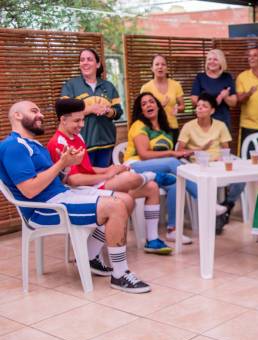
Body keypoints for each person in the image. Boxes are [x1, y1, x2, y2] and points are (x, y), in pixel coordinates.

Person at [0, 101, 150, 293]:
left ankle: (90, 256)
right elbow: (29, 190)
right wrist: (60, 163)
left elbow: (58, 178)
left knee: (125, 200)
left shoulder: (34, 144)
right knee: (116, 207)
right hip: (44, 209)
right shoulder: (13, 146)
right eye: (34, 111)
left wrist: (69, 164)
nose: (41, 115)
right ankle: (119, 274)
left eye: (40, 111)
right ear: (17, 116)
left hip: (62, 195)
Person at [47, 98, 173, 255]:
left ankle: (152, 240)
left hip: (92, 183)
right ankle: (152, 175)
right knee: (129, 180)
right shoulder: (58, 143)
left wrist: (110, 169)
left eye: (83, 119)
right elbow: (73, 179)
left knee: (151, 188)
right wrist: (107, 174)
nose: (82, 125)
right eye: (77, 121)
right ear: (63, 120)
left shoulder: (77, 136)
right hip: (81, 190)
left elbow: (86, 168)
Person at [123, 92, 203, 245]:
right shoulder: (138, 126)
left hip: (155, 171)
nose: (148, 105)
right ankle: (204, 197)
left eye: (151, 102)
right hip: (134, 166)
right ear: (141, 111)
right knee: (172, 162)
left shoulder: (165, 129)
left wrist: (184, 153)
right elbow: (144, 154)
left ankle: (172, 230)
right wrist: (173, 153)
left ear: (158, 106)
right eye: (144, 104)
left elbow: (162, 156)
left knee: (175, 184)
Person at [190, 49, 242, 228]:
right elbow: (196, 101)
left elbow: (234, 102)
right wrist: (216, 98)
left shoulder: (227, 78)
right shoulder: (200, 78)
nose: (211, 61)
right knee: (209, 163)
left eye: (215, 59)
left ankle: (226, 205)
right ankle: (213, 208)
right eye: (209, 59)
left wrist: (225, 98)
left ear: (221, 61)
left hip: (222, 122)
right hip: (204, 123)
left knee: (224, 160)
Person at [177, 92, 237, 234]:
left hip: (218, 164)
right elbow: (179, 151)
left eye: (204, 106)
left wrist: (223, 159)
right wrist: (199, 150)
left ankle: (225, 205)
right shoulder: (188, 126)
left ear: (212, 110)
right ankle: (217, 212)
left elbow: (226, 149)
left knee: (240, 180)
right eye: (198, 106)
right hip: (197, 165)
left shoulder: (220, 125)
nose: (199, 108)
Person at [61, 48, 123, 168]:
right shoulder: (71, 85)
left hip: (106, 144)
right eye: (82, 60)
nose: (85, 62)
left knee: (104, 181)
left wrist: (108, 111)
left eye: (89, 59)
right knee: (86, 182)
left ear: (98, 64)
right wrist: (90, 109)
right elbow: (64, 112)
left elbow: (118, 112)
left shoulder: (108, 86)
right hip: (81, 145)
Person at [140, 54, 185, 144]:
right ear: (152, 68)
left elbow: (182, 106)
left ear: (167, 68)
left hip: (172, 128)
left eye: (163, 64)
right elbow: (142, 111)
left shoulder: (176, 85)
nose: (160, 67)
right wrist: (160, 106)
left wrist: (178, 108)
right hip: (154, 129)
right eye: (157, 64)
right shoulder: (146, 88)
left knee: (173, 157)